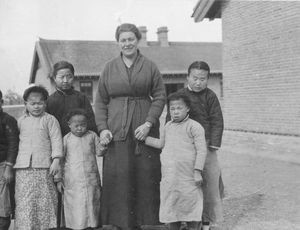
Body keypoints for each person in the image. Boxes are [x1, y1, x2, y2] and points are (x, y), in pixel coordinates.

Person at [94, 23, 166, 230]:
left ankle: (148, 222)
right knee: (119, 175)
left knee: (146, 174)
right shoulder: (109, 67)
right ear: (118, 43)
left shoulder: (150, 66)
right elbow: (100, 101)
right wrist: (103, 128)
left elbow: (160, 96)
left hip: (144, 128)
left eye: (131, 39)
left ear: (138, 40)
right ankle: (118, 223)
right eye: (123, 40)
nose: (127, 43)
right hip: (117, 129)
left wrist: (148, 123)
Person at [167, 61, 224, 230]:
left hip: (206, 147)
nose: (198, 82)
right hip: (184, 148)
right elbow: (169, 120)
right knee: (185, 184)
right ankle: (186, 220)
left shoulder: (211, 96)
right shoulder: (179, 96)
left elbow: (217, 120)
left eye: (203, 79)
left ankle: (206, 222)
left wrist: (213, 143)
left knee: (209, 184)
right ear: (187, 77)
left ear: (207, 79)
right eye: (195, 78)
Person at [145, 92, 207, 230]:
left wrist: (197, 171)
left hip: (188, 176)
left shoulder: (194, 127)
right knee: (172, 206)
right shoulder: (168, 126)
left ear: (187, 109)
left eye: (179, 108)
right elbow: (161, 144)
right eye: (172, 109)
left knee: (191, 205)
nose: (176, 112)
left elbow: (202, 150)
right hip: (171, 176)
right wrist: (146, 139)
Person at [14, 85, 63, 229]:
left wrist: (56, 160)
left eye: (40, 103)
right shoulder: (21, 121)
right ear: (26, 104)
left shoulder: (50, 120)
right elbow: (15, 142)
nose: (36, 107)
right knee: (25, 202)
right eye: (32, 103)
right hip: (23, 169)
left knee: (45, 202)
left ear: (45, 103)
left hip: (44, 168)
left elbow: (56, 140)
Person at [57, 109, 102, 230]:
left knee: (92, 200)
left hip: (90, 176)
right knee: (76, 203)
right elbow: (60, 160)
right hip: (73, 178)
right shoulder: (66, 139)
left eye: (83, 125)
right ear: (69, 125)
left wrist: (104, 144)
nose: (80, 128)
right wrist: (59, 178)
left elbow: (99, 151)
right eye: (76, 125)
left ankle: (92, 225)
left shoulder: (92, 136)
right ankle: (76, 226)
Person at [46, 60, 98, 137]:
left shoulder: (81, 97)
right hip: (57, 140)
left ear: (73, 77)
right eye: (62, 77)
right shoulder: (50, 100)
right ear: (54, 78)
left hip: (80, 139)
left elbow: (91, 122)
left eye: (69, 77)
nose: (65, 81)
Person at [0, 90, 19, 230]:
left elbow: (13, 145)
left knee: (3, 202)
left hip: (2, 166)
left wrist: (8, 168)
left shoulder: (8, 120)